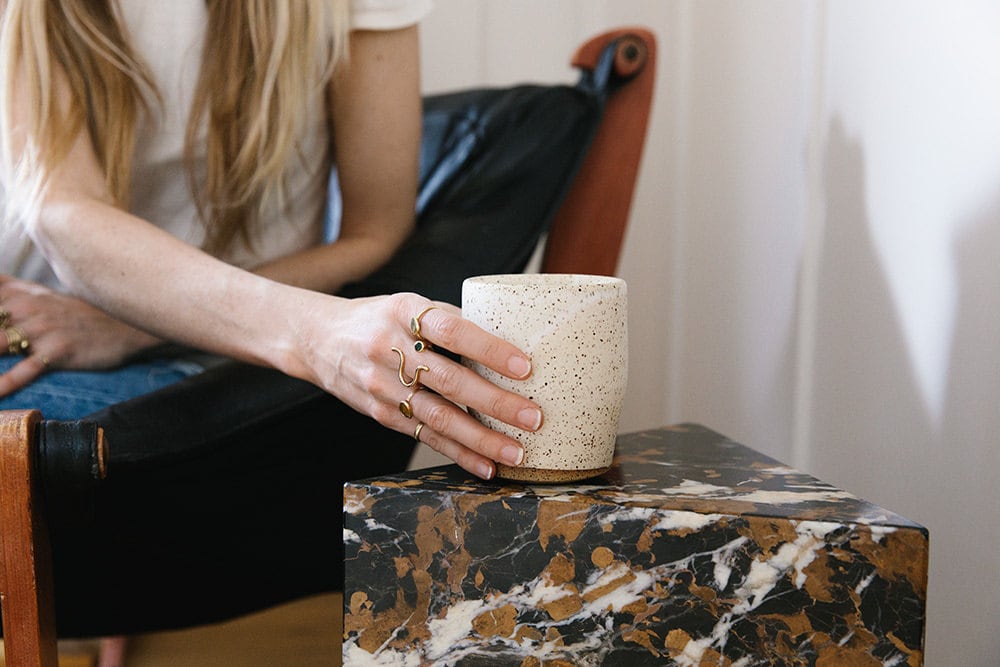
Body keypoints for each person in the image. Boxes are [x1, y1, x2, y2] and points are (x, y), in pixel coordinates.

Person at [0, 0, 543, 651]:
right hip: (38, 337)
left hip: (215, 372)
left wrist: (133, 326)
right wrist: (315, 333)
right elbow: (65, 213)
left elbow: (376, 230)